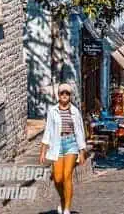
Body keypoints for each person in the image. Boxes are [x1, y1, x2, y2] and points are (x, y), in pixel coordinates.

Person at [39, 83, 88, 214]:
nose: (65, 95)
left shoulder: (75, 112)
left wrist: (82, 151)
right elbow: (48, 131)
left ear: (70, 96)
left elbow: (79, 131)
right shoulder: (52, 111)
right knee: (57, 178)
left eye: (67, 93)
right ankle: (62, 198)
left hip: (71, 144)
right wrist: (43, 151)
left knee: (67, 176)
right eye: (62, 93)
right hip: (57, 145)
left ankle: (67, 208)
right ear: (58, 95)